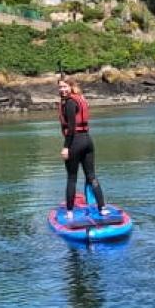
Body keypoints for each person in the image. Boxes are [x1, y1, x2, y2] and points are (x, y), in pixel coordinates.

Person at [57, 78, 107, 221]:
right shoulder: (80, 98)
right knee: (91, 176)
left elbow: (71, 128)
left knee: (72, 178)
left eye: (65, 87)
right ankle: (102, 208)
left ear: (71, 87)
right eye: (60, 88)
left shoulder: (70, 103)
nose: (62, 90)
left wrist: (66, 147)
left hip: (76, 142)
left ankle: (70, 212)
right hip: (87, 141)